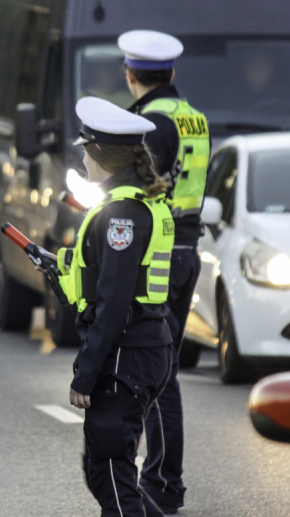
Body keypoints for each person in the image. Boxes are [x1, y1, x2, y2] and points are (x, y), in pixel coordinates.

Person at [54, 96, 175, 517]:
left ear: (98, 154)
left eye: (85, 150)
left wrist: (85, 376)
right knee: (103, 472)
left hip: (127, 357)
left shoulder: (122, 214)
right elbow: (109, 288)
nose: (83, 160)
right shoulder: (135, 205)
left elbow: (115, 303)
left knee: (110, 476)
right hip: (142, 350)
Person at [119, 29, 212, 514]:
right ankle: (165, 480)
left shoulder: (152, 122)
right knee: (166, 368)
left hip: (160, 250)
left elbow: (142, 187)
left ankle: (162, 482)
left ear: (130, 74)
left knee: (159, 371)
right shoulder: (193, 117)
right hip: (189, 245)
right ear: (171, 73)